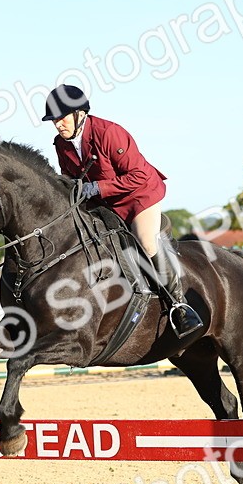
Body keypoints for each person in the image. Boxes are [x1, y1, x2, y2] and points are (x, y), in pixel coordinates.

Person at [42, 84, 203, 337]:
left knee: (147, 242)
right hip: (105, 205)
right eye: (54, 121)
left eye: (61, 118)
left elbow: (138, 175)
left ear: (79, 114)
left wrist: (98, 188)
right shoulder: (61, 144)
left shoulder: (109, 133)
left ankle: (180, 306)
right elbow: (69, 178)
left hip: (139, 196)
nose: (57, 125)